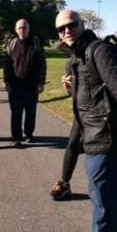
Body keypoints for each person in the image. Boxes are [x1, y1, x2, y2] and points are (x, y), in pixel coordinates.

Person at [55, 10, 117, 232]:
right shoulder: (78, 56)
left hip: (106, 137)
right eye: (61, 28)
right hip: (94, 134)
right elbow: (92, 96)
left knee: (104, 198)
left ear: (82, 24)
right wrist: (71, 87)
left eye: (71, 25)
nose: (66, 31)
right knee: (107, 196)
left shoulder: (99, 51)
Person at [3, 19, 46, 148]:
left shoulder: (36, 44)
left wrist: (41, 82)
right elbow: (7, 65)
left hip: (31, 86)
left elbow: (42, 65)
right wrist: (6, 81)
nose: (22, 30)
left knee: (30, 112)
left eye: (25, 27)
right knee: (16, 112)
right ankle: (16, 137)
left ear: (29, 29)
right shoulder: (12, 44)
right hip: (15, 86)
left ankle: (29, 134)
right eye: (20, 28)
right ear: (16, 30)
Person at [50, 59, 81, 200]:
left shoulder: (98, 55)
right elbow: (73, 94)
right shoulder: (70, 63)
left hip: (105, 114)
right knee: (72, 145)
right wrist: (68, 86)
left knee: (107, 151)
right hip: (83, 113)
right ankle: (64, 183)